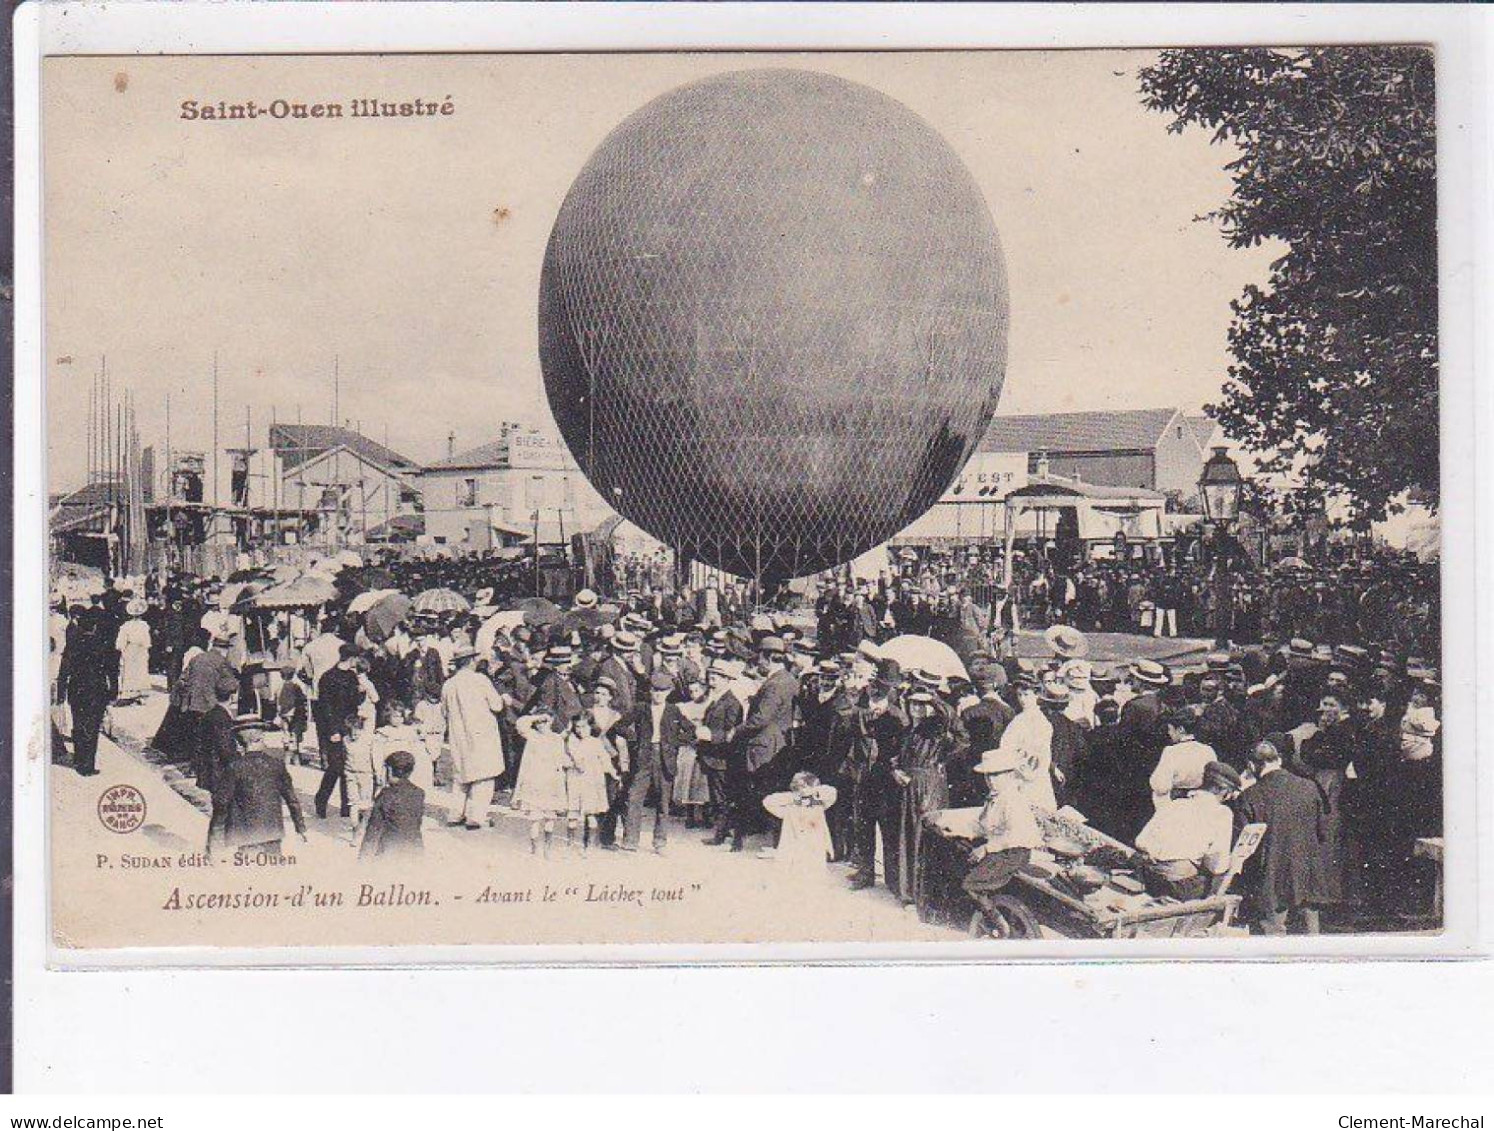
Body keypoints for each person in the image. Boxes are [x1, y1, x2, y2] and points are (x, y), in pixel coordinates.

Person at [1233, 735, 1331, 935]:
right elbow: (1322, 832)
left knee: (1274, 942)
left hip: (1271, 879)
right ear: (1279, 760)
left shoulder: (1249, 796)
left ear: (1251, 766)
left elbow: (1243, 848)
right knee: (1313, 941)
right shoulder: (1309, 787)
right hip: (1307, 876)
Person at [962, 743, 1046, 932]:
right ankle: (987, 907)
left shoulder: (1012, 801)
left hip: (1013, 852)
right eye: (988, 775)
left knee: (971, 884)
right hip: (1002, 848)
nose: (991, 780)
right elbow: (983, 824)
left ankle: (999, 922)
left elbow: (1016, 834)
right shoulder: (995, 797)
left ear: (1009, 775)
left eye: (996, 775)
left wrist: (986, 848)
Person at [1133, 761, 1241, 900]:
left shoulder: (1175, 804)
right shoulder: (1222, 813)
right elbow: (1216, 866)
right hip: (1177, 886)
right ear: (1224, 791)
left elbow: (1140, 841)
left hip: (1147, 876)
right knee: (1211, 882)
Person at [209, 720, 307, 859]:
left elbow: (221, 802)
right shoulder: (276, 765)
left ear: (239, 744)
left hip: (245, 834)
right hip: (272, 831)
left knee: (250, 874)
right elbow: (292, 799)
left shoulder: (234, 767)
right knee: (274, 872)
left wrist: (214, 838)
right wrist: (300, 827)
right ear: (260, 738)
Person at [440, 644, 509, 830]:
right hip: (481, 734)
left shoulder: (449, 684)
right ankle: (476, 817)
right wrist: (504, 698)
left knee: (461, 775)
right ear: (471, 661)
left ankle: (455, 814)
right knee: (484, 777)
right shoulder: (480, 680)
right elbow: (496, 706)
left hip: (459, 734)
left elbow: (444, 711)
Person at [622, 671, 686, 853]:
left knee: (663, 802)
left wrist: (674, 744)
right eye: (654, 690)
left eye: (662, 691)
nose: (658, 694)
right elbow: (619, 726)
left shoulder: (674, 710)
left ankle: (660, 842)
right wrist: (635, 740)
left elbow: (690, 731)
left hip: (665, 759)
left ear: (669, 692)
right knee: (634, 797)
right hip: (644, 756)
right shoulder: (640, 708)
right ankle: (630, 841)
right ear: (649, 690)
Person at [55, 607, 118, 777]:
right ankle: (87, 764)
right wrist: (113, 691)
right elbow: (112, 670)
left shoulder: (73, 644)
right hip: (97, 691)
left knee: (78, 724)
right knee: (92, 727)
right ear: (95, 627)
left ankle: (78, 759)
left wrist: (61, 692)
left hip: (76, 690)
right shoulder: (104, 645)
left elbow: (64, 670)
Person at [513, 710, 575, 856]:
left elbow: (561, 757)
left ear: (552, 721)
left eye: (545, 721)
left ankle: (547, 847)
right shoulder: (532, 736)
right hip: (534, 782)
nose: (542, 725)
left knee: (549, 816)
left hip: (551, 783)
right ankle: (535, 847)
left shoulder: (556, 739)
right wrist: (536, 717)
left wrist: (572, 763)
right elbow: (520, 724)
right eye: (539, 722)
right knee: (535, 818)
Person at [313, 644, 364, 820]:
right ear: (351, 658)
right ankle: (321, 799)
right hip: (333, 727)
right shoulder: (328, 678)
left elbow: (355, 702)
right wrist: (333, 730)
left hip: (349, 726)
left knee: (348, 766)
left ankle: (346, 806)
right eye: (356, 658)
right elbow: (325, 707)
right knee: (335, 767)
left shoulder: (352, 676)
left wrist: (361, 694)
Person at [996, 676, 1057, 813]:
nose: (1022, 699)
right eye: (1019, 695)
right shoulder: (1019, 719)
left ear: (1036, 695)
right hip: (1016, 773)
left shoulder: (1041, 723)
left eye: (1026, 695)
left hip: (1031, 777)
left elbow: (1041, 757)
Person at [761, 771, 838, 875]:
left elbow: (832, 793)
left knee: (815, 877)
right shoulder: (790, 809)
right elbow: (768, 801)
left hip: (815, 849)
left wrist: (814, 790)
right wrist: (795, 798)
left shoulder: (818, 804)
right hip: (794, 851)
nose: (804, 790)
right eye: (800, 786)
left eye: (807, 786)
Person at [359, 750, 426, 861]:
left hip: (390, 850)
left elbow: (374, 830)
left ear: (389, 770)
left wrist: (363, 858)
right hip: (414, 848)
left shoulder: (386, 795)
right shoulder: (419, 793)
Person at [1149, 709, 1217, 811]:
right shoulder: (1208, 750)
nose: (1169, 733)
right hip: (1201, 804)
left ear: (1180, 729)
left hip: (1175, 804)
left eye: (1170, 729)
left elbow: (1160, 786)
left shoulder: (1171, 752)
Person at [114, 598, 152, 703]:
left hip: (130, 649)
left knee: (130, 671)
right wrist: (146, 647)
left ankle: (130, 693)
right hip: (140, 649)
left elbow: (121, 641)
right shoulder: (144, 625)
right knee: (141, 670)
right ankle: (140, 693)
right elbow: (147, 640)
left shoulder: (126, 626)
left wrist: (121, 648)